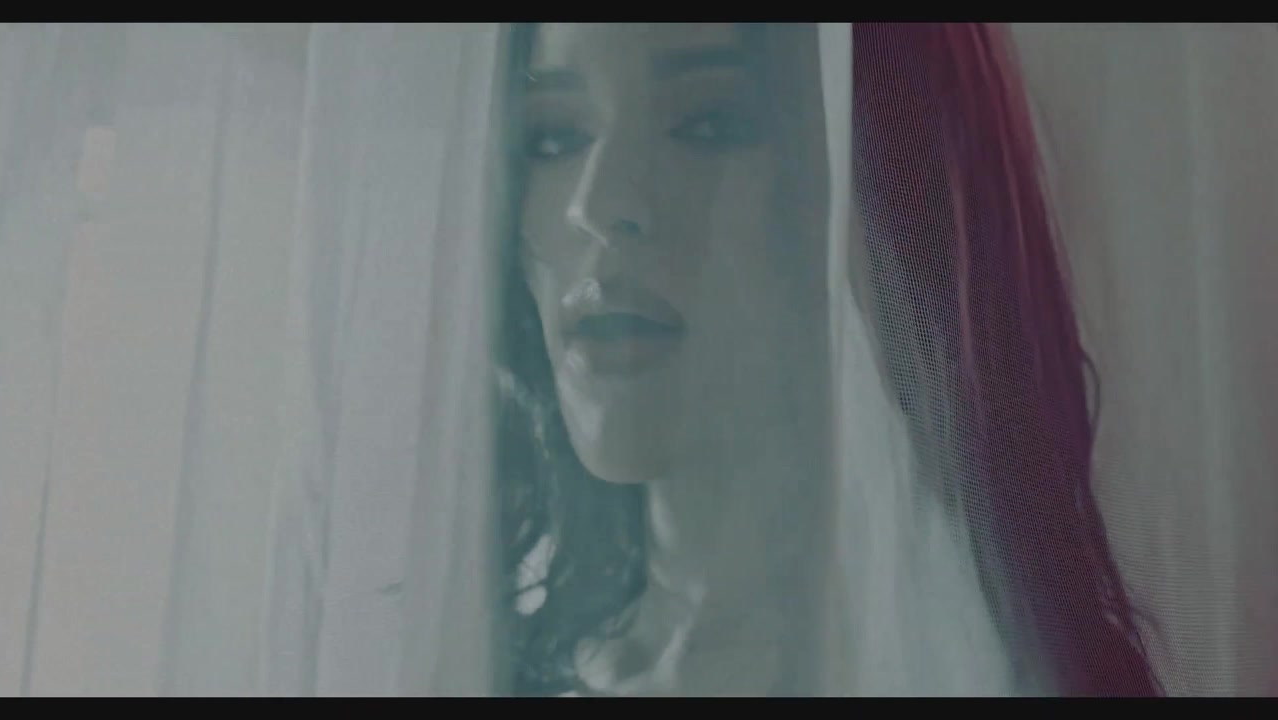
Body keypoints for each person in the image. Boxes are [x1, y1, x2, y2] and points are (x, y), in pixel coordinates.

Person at [492, 22, 1162, 697]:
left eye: (709, 125)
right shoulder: (500, 660)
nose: (594, 206)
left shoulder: (967, 671)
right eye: (552, 137)